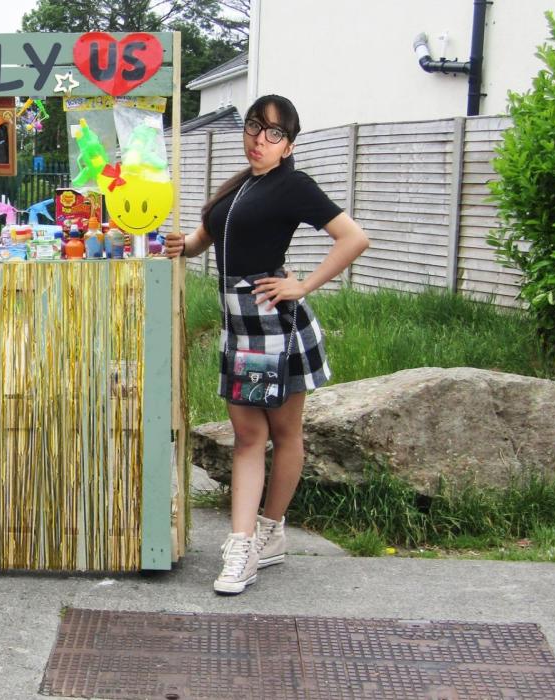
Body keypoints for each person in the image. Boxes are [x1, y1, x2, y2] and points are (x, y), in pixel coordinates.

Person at [162, 95, 369, 595]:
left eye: (273, 133)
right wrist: (180, 246)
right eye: (255, 126)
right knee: (249, 437)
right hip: (240, 326)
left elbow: (353, 238)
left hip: (276, 324)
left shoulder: (292, 184)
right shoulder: (239, 187)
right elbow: (201, 240)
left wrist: (303, 285)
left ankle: (266, 534)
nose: (260, 138)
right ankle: (243, 542)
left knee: (285, 431)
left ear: (288, 144)